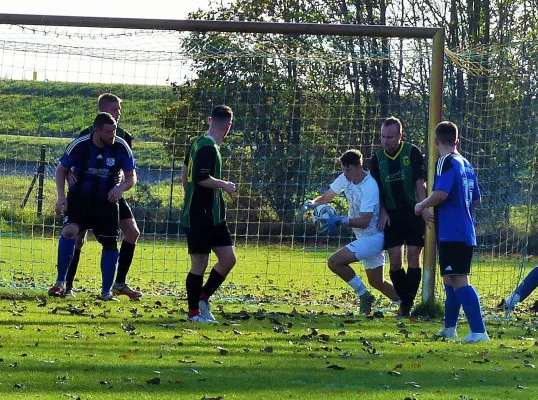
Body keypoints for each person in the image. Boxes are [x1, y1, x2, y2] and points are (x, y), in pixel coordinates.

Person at [49, 112, 137, 300]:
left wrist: (121, 188)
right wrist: (60, 196)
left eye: (114, 131)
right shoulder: (80, 145)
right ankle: (59, 283)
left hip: (107, 201)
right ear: (97, 131)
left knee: (110, 243)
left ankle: (106, 292)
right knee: (70, 232)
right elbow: (61, 169)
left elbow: (132, 177)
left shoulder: (121, 146)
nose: (113, 135)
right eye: (108, 132)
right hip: (80, 198)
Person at [415, 121, 489, 343]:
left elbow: (440, 193)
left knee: (458, 279)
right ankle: (449, 328)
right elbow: (476, 199)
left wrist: (422, 205)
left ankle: (479, 331)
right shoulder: (466, 163)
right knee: (449, 279)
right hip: (465, 230)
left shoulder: (445, 162)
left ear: (436, 142)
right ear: (457, 141)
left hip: (452, 232)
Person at [303, 149, 399, 316]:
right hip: (363, 237)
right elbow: (326, 198)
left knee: (334, 262)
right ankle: (406, 306)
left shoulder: (370, 186)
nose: (345, 173)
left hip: (374, 236)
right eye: (343, 169)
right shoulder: (345, 178)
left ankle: (364, 296)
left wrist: (341, 220)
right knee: (377, 281)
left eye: (348, 169)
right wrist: (312, 203)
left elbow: (365, 221)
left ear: (359, 166)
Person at [370, 116, 432, 317]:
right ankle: (406, 302)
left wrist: (423, 208)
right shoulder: (376, 159)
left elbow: (419, 182)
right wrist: (382, 212)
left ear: (400, 136)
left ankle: (405, 305)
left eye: (390, 137)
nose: (385, 141)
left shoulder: (411, 152)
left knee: (414, 257)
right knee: (395, 261)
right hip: (391, 216)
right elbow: (376, 190)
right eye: (383, 137)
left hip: (413, 212)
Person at [181, 105, 237, 323]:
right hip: (199, 215)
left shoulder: (199, 142)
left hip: (214, 216)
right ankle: (193, 313)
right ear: (228, 127)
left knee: (228, 258)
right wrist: (225, 185)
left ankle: (203, 298)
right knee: (199, 264)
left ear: (209, 120)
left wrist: (189, 193)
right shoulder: (207, 148)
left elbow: (184, 175)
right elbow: (200, 177)